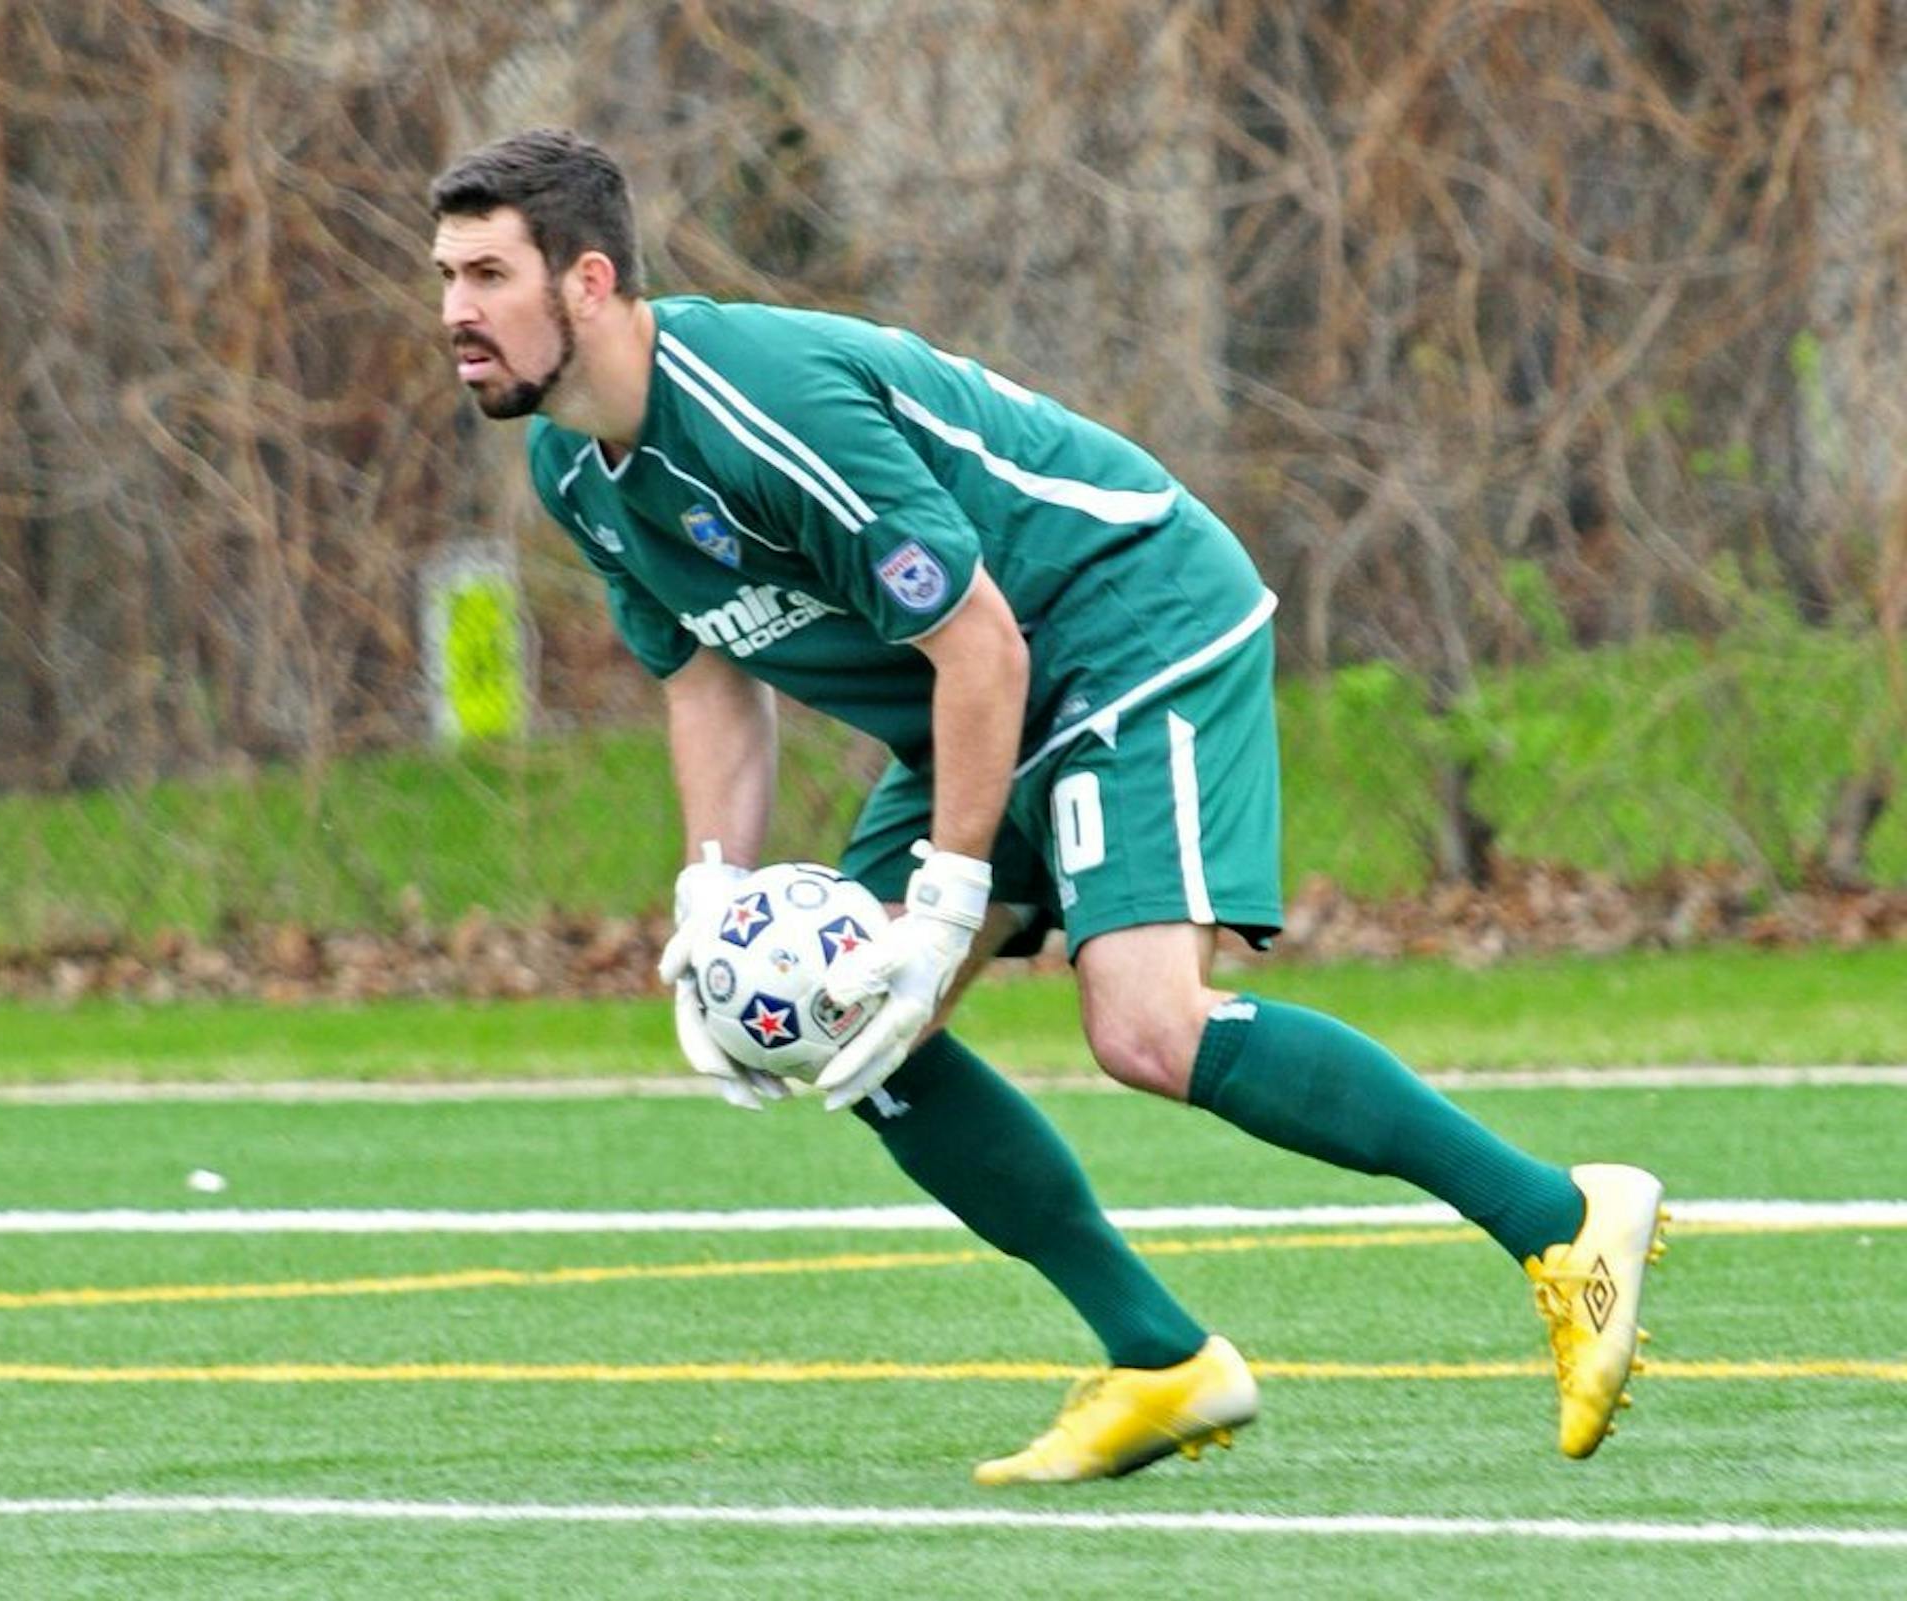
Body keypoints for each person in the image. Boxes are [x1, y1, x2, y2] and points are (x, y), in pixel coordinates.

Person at [427, 127, 1667, 1485]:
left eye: (489, 274)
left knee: (1145, 1022)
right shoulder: (572, 467)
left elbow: (981, 642)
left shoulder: (759, 405)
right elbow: (707, 677)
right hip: (990, 688)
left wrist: (950, 894)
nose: (455, 314)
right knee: (850, 1027)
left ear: (590, 280)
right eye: (444, 277)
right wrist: (710, 892)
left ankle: (1560, 1218)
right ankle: (1161, 1357)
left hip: (1124, 617)